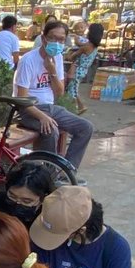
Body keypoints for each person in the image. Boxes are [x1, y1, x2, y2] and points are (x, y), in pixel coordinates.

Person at [13, 18, 94, 170]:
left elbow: (59, 93)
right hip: (28, 110)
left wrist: (52, 71)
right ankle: (48, 174)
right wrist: (42, 116)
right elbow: (21, 99)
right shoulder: (28, 60)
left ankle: (66, 171)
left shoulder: (57, 57)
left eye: (61, 40)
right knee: (51, 130)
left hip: (50, 108)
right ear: (43, 39)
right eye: (52, 38)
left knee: (85, 128)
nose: (57, 43)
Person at [0, 159, 57, 230]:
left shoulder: (47, 219)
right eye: (12, 196)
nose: (17, 203)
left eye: (26, 201)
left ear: (43, 199)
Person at [64, 22, 104, 114]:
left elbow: (72, 57)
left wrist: (69, 52)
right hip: (83, 70)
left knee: (72, 90)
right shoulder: (93, 46)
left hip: (77, 70)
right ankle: (81, 106)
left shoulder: (86, 46)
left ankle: (73, 109)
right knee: (74, 88)